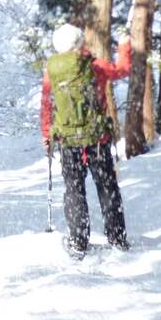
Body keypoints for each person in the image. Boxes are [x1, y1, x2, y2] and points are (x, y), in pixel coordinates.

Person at [41, 23, 131, 258]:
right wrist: (124, 44)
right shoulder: (94, 66)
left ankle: (78, 241)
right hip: (97, 139)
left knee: (74, 190)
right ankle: (117, 238)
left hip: (68, 141)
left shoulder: (52, 72)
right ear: (80, 42)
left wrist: (47, 135)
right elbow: (123, 69)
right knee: (107, 187)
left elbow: (47, 104)